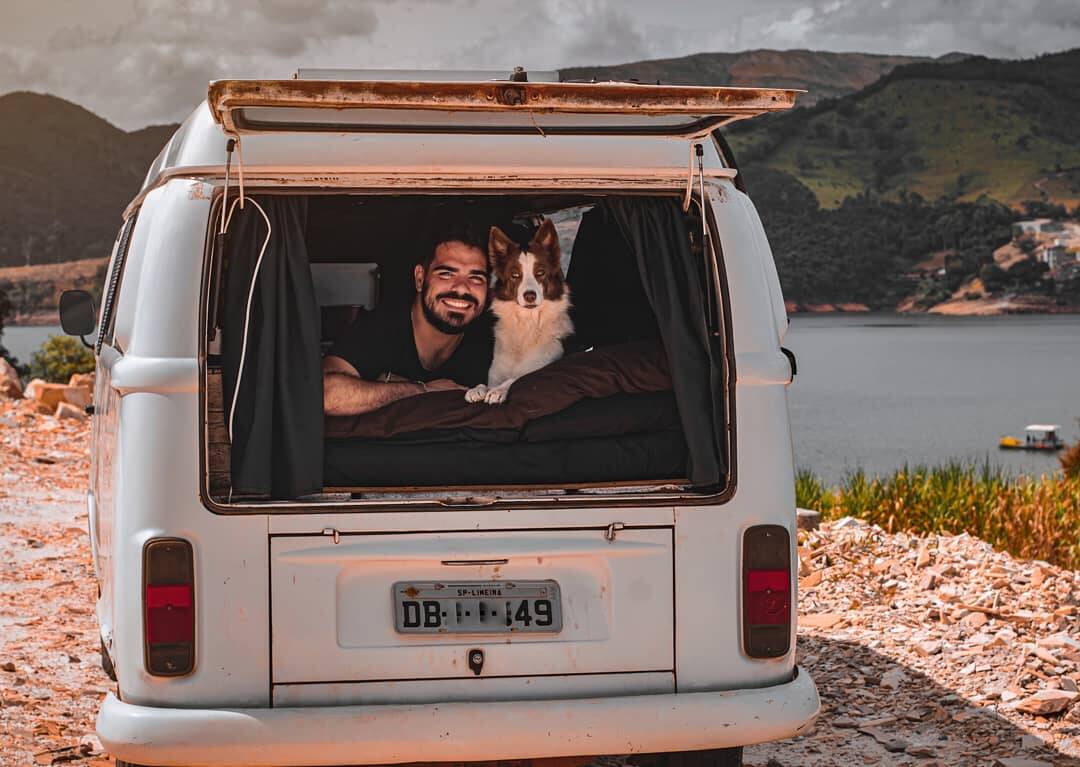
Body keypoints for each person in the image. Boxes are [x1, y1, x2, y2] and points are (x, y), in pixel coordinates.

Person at [322, 224, 494, 416]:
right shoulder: (381, 327)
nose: (462, 289)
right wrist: (423, 390)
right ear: (420, 279)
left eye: (476, 278)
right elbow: (326, 396)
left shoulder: (493, 340)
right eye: (446, 274)